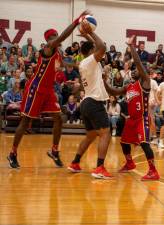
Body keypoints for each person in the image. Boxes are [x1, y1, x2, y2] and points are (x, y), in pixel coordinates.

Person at [7, 10, 89, 168]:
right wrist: (76, 21)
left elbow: (62, 65)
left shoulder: (57, 53)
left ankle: (54, 150)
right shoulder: (48, 48)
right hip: (36, 88)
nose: (58, 38)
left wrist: (76, 65)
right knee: (25, 122)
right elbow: (62, 37)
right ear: (50, 39)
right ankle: (12, 154)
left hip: (48, 90)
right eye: (55, 36)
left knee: (58, 118)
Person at [103, 35, 160, 181]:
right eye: (133, 69)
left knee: (144, 143)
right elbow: (114, 92)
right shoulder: (129, 86)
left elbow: (140, 64)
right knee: (124, 142)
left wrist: (131, 47)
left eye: (137, 70)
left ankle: (153, 171)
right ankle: (129, 163)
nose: (134, 70)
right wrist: (104, 81)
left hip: (142, 119)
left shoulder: (145, 82)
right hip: (131, 120)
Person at [68, 20, 112, 179]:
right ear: (91, 51)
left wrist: (88, 36)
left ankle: (75, 162)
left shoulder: (86, 64)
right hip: (93, 102)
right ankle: (99, 168)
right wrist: (89, 33)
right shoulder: (89, 61)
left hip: (86, 102)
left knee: (91, 135)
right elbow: (102, 47)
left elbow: (98, 48)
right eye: (94, 49)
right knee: (106, 134)